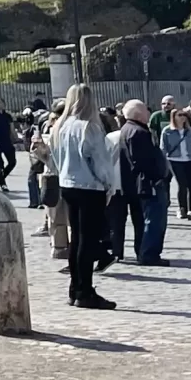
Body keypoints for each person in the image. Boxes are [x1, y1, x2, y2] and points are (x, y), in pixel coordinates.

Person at [49, 84, 122, 309]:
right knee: (88, 240)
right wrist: (109, 186)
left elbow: (56, 157)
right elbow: (100, 162)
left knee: (77, 239)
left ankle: (75, 288)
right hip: (90, 186)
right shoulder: (89, 128)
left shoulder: (60, 126)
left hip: (68, 184)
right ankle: (85, 291)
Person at [116, 99, 171, 265]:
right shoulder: (138, 132)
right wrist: (159, 177)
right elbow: (143, 161)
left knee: (144, 220)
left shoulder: (127, 129)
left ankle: (143, 250)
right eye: (146, 111)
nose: (148, 113)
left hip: (136, 183)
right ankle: (149, 254)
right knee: (154, 220)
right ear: (139, 114)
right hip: (149, 183)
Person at [163, 107, 191, 221]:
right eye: (179, 115)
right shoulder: (167, 131)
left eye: (184, 115)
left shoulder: (190, 131)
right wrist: (164, 162)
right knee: (182, 184)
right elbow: (163, 148)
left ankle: (190, 210)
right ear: (174, 117)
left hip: (190, 160)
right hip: (175, 160)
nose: (182, 118)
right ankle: (182, 208)